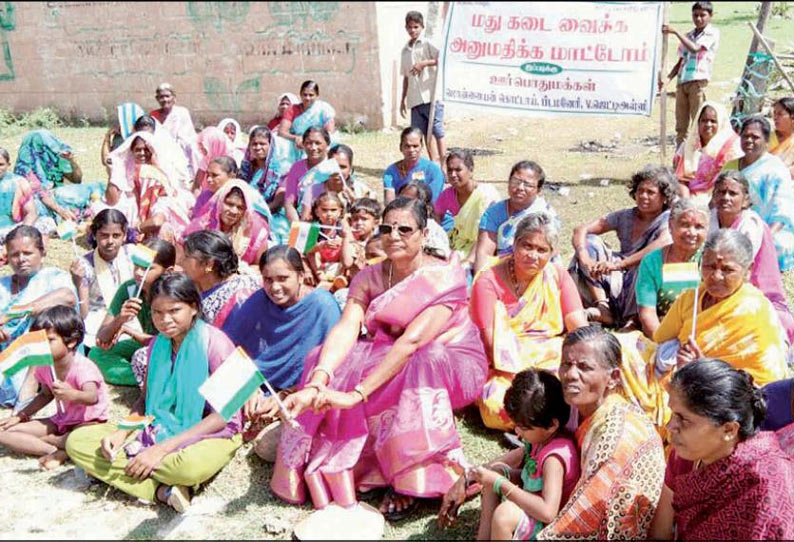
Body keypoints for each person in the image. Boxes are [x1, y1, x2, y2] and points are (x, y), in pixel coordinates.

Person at [270, 198, 488, 520]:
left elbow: (412, 342)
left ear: (424, 233)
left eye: (405, 229)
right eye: (387, 228)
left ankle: (414, 474)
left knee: (419, 360)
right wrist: (319, 383)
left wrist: (353, 394)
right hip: (393, 350)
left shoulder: (444, 277)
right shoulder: (371, 276)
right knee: (323, 357)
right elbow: (347, 327)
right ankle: (365, 466)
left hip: (450, 360)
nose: (394, 236)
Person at [66, 274, 243, 513]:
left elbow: (225, 415)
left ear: (193, 308)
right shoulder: (157, 345)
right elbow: (145, 401)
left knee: (185, 468)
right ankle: (164, 491)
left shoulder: (217, 343)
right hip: (156, 426)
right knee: (78, 442)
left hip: (213, 432)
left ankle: (143, 473)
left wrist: (161, 449)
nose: (164, 320)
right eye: (157, 312)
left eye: (174, 310)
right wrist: (122, 433)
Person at [536, 326, 665, 540]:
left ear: (613, 377)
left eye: (584, 367)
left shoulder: (615, 437)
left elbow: (588, 518)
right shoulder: (582, 406)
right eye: (566, 364)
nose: (570, 375)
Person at [650, 359, 794, 540]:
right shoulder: (685, 456)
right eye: (672, 414)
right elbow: (660, 534)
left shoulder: (767, 487)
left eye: (683, 419)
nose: (670, 426)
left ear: (729, 430)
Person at [471, 214, 587, 430]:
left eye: (542, 250)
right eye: (527, 246)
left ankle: (557, 412)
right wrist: (529, 373)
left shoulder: (556, 275)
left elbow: (577, 324)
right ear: (514, 244)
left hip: (552, 355)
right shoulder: (488, 280)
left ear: (553, 253)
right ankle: (563, 415)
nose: (533, 255)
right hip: (503, 365)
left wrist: (582, 359)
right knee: (496, 405)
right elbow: (488, 341)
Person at [439, 369, 581, 540]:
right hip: (534, 509)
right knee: (495, 472)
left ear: (551, 425)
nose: (517, 432)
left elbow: (548, 512)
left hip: (550, 527)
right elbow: (527, 478)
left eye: (523, 427)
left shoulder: (554, 458)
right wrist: (490, 476)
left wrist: (501, 483)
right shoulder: (539, 441)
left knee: (504, 515)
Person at [654, 229, 791, 386]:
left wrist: (703, 369)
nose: (716, 276)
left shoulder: (756, 311)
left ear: (748, 270)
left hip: (723, 398)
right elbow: (661, 340)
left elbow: (763, 387)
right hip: (676, 379)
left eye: (727, 270)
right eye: (709, 266)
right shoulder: (691, 298)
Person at [224, 246, 341, 410]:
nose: (275, 287)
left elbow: (335, 364)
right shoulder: (259, 299)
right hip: (253, 389)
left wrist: (286, 395)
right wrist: (248, 388)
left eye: (283, 278)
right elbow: (228, 346)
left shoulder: (323, 306)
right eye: (268, 280)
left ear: (300, 276)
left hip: (302, 396)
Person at [0, 306, 109, 469]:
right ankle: (53, 449)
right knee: (5, 431)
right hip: (61, 420)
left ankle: (61, 443)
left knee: (77, 438)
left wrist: (71, 394)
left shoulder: (83, 367)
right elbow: (45, 395)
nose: (42, 346)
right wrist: (21, 415)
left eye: (49, 340)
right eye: (39, 341)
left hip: (87, 423)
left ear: (71, 341)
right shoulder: (45, 365)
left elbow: (92, 397)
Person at [569, 165, 677, 327]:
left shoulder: (667, 219)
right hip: (618, 274)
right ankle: (603, 306)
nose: (643, 196)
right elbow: (581, 230)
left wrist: (619, 265)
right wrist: (584, 257)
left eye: (650, 192)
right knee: (590, 242)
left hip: (639, 273)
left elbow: (663, 242)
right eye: (640, 191)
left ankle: (633, 318)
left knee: (647, 263)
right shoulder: (626, 216)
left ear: (664, 197)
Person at [708, 171, 794, 342]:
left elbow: (737, 270)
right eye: (721, 192)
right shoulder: (709, 219)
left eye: (732, 193)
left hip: (752, 291)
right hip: (713, 286)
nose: (726, 197)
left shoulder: (751, 225)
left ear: (745, 199)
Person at [0, 226, 77, 408]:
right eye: (15, 255)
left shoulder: (54, 277)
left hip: (36, 354)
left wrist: (15, 313)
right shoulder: (3, 285)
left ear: (42, 253)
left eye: (27, 253)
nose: (21, 260)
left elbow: (68, 297)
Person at [89, 239, 175, 386]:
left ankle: (151, 377)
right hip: (147, 346)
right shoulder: (130, 289)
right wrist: (120, 319)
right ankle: (143, 377)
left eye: (147, 268)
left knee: (151, 356)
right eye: (136, 266)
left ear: (168, 271)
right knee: (96, 354)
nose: (138, 273)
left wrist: (130, 332)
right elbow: (102, 338)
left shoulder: (175, 293)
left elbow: (173, 343)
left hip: (171, 350)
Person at [723, 116, 794, 271]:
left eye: (755, 137)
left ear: (766, 142)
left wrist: (764, 237)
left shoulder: (776, 169)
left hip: (770, 232)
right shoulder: (731, 166)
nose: (749, 140)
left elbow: (782, 212)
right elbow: (716, 200)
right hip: (733, 228)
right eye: (745, 136)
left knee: (778, 247)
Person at [636, 198, 709, 339]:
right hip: (663, 336)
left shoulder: (710, 259)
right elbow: (647, 313)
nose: (691, 233)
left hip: (704, 336)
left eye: (699, 227)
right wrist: (663, 344)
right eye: (684, 225)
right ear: (670, 226)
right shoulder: (652, 261)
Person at [105, 131, 194, 241]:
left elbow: (157, 220)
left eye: (146, 150)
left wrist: (135, 229)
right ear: (131, 151)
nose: (142, 153)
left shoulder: (161, 177)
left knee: (164, 229)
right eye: (138, 150)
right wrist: (114, 172)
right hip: (137, 218)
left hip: (161, 230)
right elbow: (111, 201)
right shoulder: (126, 172)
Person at [475, 161, 559, 274]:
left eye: (528, 185)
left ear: (538, 190)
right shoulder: (494, 212)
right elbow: (484, 254)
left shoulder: (545, 215)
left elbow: (546, 253)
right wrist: (482, 281)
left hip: (536, 272)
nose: (520, 188)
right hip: (501, 270)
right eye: (516, 181)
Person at [70, 209, 135, 347]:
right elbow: (83, 314)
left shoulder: (132, 255)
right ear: (94, 235)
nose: (110, 241)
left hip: (133, 316)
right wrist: (79, 283)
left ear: (124, 236)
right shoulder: (84, 266)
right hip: (98, 322)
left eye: (116, 235)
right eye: (104, 235)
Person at [661, 1, 720, 146]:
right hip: (682, 83)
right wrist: (668, 78)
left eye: (702, 15)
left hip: (697, 82)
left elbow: (695, 49)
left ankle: (702, 157)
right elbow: (681, 60)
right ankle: (680, 159)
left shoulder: (712, 33)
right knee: (681, 126)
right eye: (695, 15)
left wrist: (675, 32)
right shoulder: (689, 35)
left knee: (699, 122)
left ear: (710, 16)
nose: (699, 19)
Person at [184, 179, 270, 272]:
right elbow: (185, 258)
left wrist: (240, 271)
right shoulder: (202, 225)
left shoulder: (255, 232)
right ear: (220, 202)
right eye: (229, 204)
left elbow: (261, 267)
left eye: (240, 207)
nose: (233, 211)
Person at [179, 230, 260, 329]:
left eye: (186, 257)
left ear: (209, 265)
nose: (180, 262)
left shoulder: (239, 297)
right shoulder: (198, 287)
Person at [13, 129, 94, 226]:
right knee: (37, 208)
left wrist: (72, 161)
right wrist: (61, 211)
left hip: (55, 196)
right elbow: (40, 194)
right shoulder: (25, 166)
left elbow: (76, 180)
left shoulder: (52, 157)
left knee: (90, 189)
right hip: (39, 201)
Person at [435, 150, 499, 264]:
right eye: (450, 170)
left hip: (481, 247)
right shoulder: (448, 194)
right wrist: (439, 239)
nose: (453, 175)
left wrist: (469, 262)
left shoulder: (486, 194)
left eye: (458, 170)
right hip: (456, 244)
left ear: (470, 170)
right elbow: (436, 217)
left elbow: (485, 234)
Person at [672, 101, 741, 200]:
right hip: (687, 198)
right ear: (698, 123)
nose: (708, 124)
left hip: (720, 199)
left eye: (713, 121)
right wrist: (686, 203)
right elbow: (681, 181)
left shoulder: (732, 147)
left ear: (721, 123)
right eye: (704, 120)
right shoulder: (688, 147)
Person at [401, 10, 445, 162]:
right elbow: (406, 77)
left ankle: (444, 164)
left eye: (416, 27)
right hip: (415, 99)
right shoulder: (405, 51)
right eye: (410, 27)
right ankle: (433, 163)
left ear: (422, 27)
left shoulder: (427, 44)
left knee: (437, 131)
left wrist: (424, 63)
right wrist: (403, 99)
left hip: (431, 95)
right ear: (406, 28)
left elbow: (443, 58)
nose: (413, 30)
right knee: (422, 134)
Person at [300, 143, 371, 219]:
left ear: (350, 169)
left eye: (342, 167)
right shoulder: (313, 190)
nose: (337, 171)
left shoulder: (362, 190)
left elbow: (370, 220)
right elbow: (303, 223)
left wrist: (355, 201)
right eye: (334, 166)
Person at [278, 80, 336, 167]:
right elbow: (282, 132)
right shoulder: (292, 109)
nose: (307, 98)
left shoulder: (324, 109)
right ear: (300, 95)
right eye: (305, 94)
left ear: (317, 96)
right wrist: (296, 138)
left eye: (311, 95)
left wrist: (312, 141)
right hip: (296, 143)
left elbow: (329, 132)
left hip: (317, 141)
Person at [279, 126, 331, 223]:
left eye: (318, 143)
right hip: (299, 217)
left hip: (327, 219)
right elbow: (289, 202)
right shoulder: (297, 167)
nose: (313, 147)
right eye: (308, 143)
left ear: (327, 144)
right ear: (303, 144)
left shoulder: (331, 168)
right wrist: (297, 225)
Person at [382, 127, 445, 205]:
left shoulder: (433, 170)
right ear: (400, 147)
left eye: (415, 146)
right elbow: (389, 203)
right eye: (407, 146)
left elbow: (433, 202)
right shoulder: (391, 172)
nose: (411, 150)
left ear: (421, 146)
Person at [149, 82, 200, 176]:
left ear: (173, 97)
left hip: (180, 153)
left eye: (167, 96)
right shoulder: (153, 115)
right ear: (157, 99)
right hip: (159, 153)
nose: (164, 99)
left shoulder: (181, 112)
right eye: (161, 97)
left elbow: (187, 138)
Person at [397, 181, 451, 259]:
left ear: (425, 207)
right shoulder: (391, 226)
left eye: (409, 202)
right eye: (400, 200)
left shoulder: (433, 232)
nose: (403, 205)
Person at [305, 192, 345, 289]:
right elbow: (307, 250)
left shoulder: (342, 226)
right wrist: (321, 246)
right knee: (312, 254)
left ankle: (340, 278)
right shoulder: (314, 227)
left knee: (347, 249)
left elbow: (351, 242)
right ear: (317, 212)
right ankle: (323, 279)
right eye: (324, 210)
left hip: (338, 262)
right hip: (320, 264)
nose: (329, 214)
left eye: (333, 210)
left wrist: (342, 242)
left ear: (340, 211)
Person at [0, 146, 37, 242]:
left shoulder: (19, 183)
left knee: (45, 224)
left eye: (1, 165)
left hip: (11, 230)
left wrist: (21, 236)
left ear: (8, 165)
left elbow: (31, 213)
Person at [193, 126, 233, 194]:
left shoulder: (232, 160)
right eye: (200, 145)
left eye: (204, 145)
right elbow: (197, 184)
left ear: (214, 143)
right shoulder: (207, 159)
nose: (201, 148)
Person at [771, 96, 794, 176]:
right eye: (774, 113)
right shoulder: (766, 137)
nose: (775, 117)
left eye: (780, 114)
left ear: (792, 118)